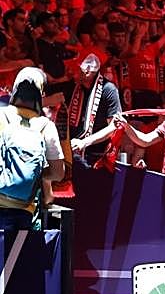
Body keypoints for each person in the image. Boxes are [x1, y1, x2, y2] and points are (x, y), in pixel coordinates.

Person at [0, 67, 64, 229]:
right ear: (41, 94)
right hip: (23, 210)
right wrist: (36, 173)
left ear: (15, 89)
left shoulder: (1, 115)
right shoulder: (45, 126)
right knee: (15, 254)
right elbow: (58, 173)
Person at [65, 53, 122, 166]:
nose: (70, 71)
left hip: (96, 157)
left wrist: (84, 142)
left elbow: (114, 127)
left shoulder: (109, 90)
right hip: (71, 153)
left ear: (87, 72)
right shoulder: (73, 86)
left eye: (75, 68)